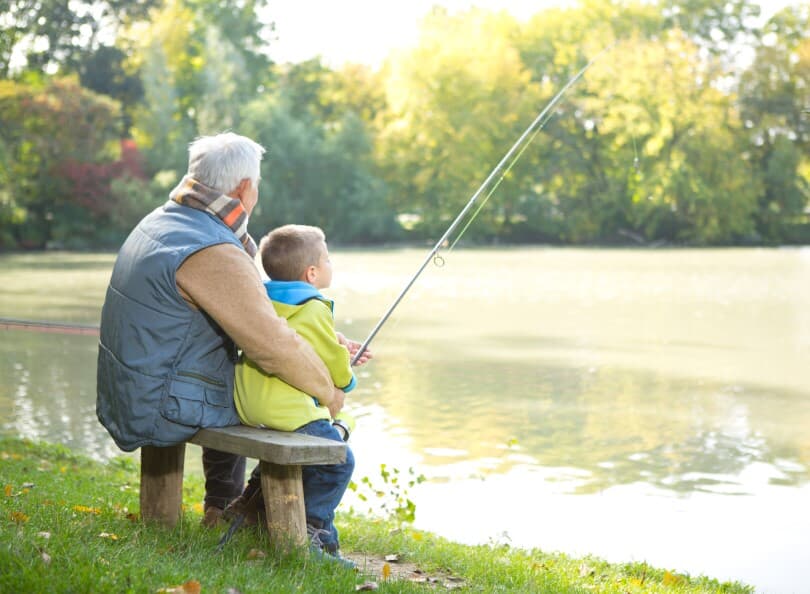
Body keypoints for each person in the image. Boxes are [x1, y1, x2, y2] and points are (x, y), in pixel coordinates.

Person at [96, 132, 365, 528]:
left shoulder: (162, 222)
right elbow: (272, 345)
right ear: (244, 189)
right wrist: (328, 391)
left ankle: (226, 508)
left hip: (130, 389)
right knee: (277, 401)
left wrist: (323, 344)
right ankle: (265, 518)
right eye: (256, 186)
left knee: (250, 381)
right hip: (159, 404)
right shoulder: (213, 249)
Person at [230, 224, 360, 562]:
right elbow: (332, 362)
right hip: (286, 412)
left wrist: (337, 341)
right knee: (339, 462)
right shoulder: (315, 306)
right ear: (312, 272)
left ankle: (319, 537)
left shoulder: (260, 298)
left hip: (249, 404)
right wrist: (347, 378)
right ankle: (310, 532)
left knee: (335, 434)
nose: (331, 264)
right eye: (327, 259)